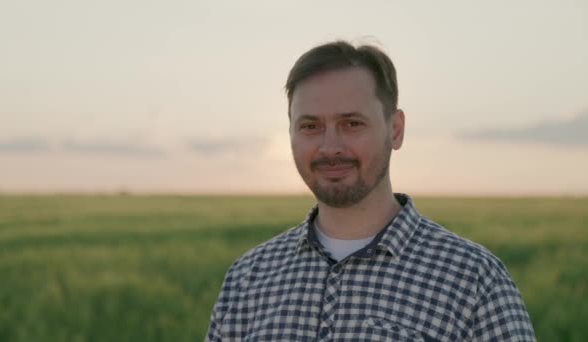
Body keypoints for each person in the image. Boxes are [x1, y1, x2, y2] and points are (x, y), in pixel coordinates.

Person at [206, 41, 535, 341]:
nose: (330, 147)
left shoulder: (473, 280)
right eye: (310, 126)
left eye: (352, 124)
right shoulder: (248, 279)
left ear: (396, 130)